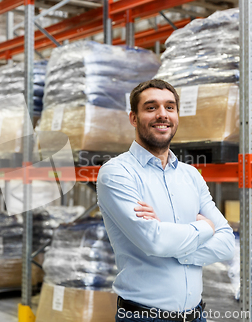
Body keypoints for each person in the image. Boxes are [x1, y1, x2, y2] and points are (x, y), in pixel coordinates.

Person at [96, 79, 235, 322]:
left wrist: (175, 246)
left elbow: (226, 244)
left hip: (197, 316)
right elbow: (155, 242)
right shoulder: (117, 173)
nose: (162, 115)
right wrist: (205, 228)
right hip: (144, 317)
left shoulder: (191, 175)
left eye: (170, 107)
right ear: (133, 118)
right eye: (151, 107)